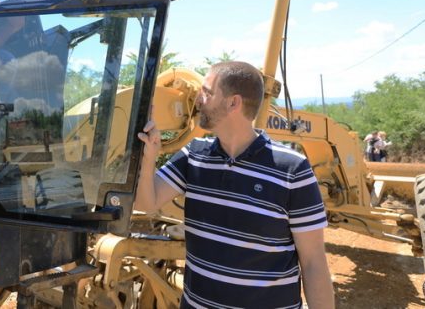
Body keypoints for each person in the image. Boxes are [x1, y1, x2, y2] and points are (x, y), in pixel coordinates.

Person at [135, 61, 334, 308]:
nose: (198, 100)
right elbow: (147, 203)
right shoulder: (193, 155)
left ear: (233, 103)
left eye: (207, 92)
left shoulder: (292, 169)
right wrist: (148, 158)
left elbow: (313, 262)